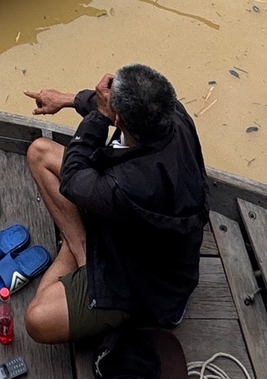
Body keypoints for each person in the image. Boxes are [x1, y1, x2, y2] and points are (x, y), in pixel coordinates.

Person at [21, 65, 209, 345]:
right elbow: (112, 109)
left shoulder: (131, 184)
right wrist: (68, 100)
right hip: (136, 225)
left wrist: (97, 116)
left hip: (143, 280)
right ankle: (82, 246)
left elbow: (72, 179)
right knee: (40, 152)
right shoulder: (171, 113)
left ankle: (79, 252)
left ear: (117, 119)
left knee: (37, 319)